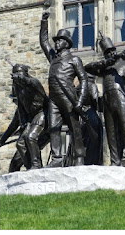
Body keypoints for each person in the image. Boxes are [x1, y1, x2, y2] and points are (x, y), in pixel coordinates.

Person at [85, 36, 125, 169]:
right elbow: (88, 68)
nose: (110, 54)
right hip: (107, 99)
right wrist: (106, 62)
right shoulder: (104, 67)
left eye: (111, 51)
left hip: (121, 96)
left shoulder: (124, 62)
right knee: (111, 133)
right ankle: (115, 160)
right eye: (107, 53)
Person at [39, 11, 88, 167]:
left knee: (74, 128)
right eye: (57, 41)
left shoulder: (74, 59)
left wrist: (80, 101)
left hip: (68, 98)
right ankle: (57, 158)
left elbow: (84, 79)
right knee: (54, 128)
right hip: (54, 99)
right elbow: (44, 41)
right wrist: (44, 22)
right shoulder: (53, 58)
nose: (57, 43)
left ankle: (79, 156)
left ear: (67, 43)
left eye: (60, 40)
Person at [0, 64, 50, 170]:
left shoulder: (33, 83)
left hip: (42, 114)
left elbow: (29, 81)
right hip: (31, 120)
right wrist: (1, 140)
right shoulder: (18, 90)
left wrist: (19, 77)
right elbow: (16, 120)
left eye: (18, 73)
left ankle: (36, 165)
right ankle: (29, 167)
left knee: (31, 137)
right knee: (20, 144)